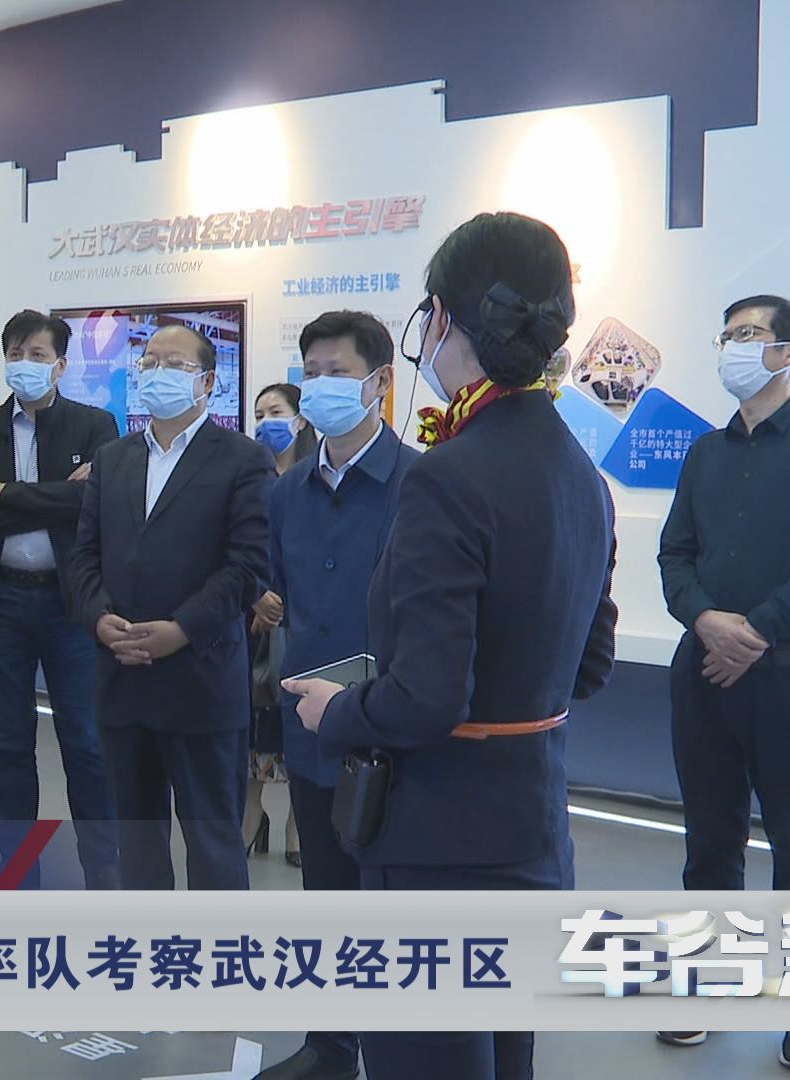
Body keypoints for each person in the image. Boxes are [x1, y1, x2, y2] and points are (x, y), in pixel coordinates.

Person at [288, 212, 618, 1080]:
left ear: (440, 318)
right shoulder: (580, 471)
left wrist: (337, 711)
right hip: (534, 826)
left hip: (439, 840)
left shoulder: (448, 474)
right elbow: (589, 665)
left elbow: (428, 698)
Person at [654, 295, 790, 1074]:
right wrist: (707, 621)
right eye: (727, 336)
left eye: (749, 335)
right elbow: (675, 555)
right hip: (704, 669)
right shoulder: (705, 453)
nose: (732, 348)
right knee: (709, 842)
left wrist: (757, 633)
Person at [252, 313, 414, 1080]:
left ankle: (399, 1049)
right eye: (310, 372)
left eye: (337, 372)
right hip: (314, 722)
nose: (320, 386)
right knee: (326, 887)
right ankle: (331, 1045)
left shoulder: (420, 483)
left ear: (380, 383)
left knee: (393, 897)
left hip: (396, 723)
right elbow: (281, 593)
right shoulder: (289, 491)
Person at [68, 323, 274, 891]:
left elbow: (247, 566)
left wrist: (181, 629)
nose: (156, 372)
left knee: (212, 846)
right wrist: (98, 618)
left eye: (173, 364)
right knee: (137, 846)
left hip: (200, 682)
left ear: (206, 382)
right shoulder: (113, 459)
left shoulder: (243, 460)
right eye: (149, 361)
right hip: (122, 680)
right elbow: (83, 557)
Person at [0, 309, 121, 889]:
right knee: (9, 744)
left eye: (37, 355)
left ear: (60, 365)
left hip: (69, 604)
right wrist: (51, 498)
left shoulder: (94, 425)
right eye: (15, 354)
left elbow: (94, 503)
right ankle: (17, 868)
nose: (24, 364)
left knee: (85, 742)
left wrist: (7, 494)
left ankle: (102, 869)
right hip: (1, 600)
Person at [244, 382, 313, 866]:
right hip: (253, 620)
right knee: (255, 726)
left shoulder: (317, 475)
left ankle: (295, 823)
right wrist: (253, 596)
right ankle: (253, 816)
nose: (265, 422)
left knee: (300, 724)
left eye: (275, 412)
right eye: (259, 414)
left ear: (300, 418)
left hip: (304, 621)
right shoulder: (249, 477)